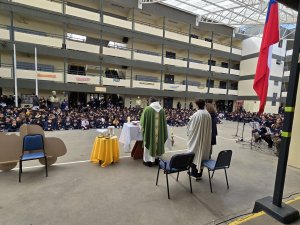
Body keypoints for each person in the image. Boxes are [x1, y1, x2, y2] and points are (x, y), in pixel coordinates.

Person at [187, 99, 212, 180]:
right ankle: (199, 173)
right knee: (202, 155)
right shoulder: (207, 114)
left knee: (195, 154)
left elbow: (190, 128)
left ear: (197, 105)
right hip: (205, 138)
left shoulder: (196, 115)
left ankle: (194, 174)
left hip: (196, 139)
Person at [140, 97, 168, 167]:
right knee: (157, 144)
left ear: (150, 102)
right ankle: (156, 160)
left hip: (150, 134)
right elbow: (164, 124)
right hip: (159, 135)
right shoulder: (162, 110)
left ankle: (148, 161)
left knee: (149, 144)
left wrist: (141, 127)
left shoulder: (147, 109)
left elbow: (142, 122)